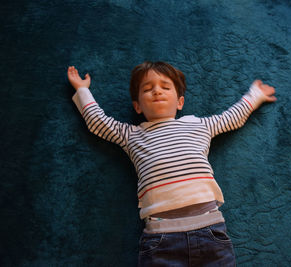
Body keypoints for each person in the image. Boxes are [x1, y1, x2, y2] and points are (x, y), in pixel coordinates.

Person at [67, 61, 277, 266]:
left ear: (180, 102)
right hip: (161, 236)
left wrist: (254, 96)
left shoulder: (199, 125)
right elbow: (98, 122)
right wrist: (82, 90)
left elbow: (231, 118)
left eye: (165, 87)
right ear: (137, 106)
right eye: (148, 89)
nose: (157, 91)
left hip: (209, 227)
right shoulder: (131, 134)